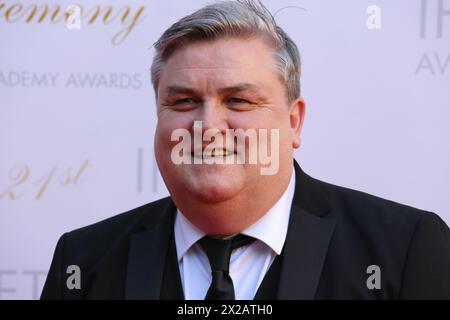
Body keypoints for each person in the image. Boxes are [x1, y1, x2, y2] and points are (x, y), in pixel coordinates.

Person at [41, 0, 450, 300]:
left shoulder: (406, 251)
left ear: (293, 122)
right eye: (183, 102)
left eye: (238, 101)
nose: (207, 127)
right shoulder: (82, 262)